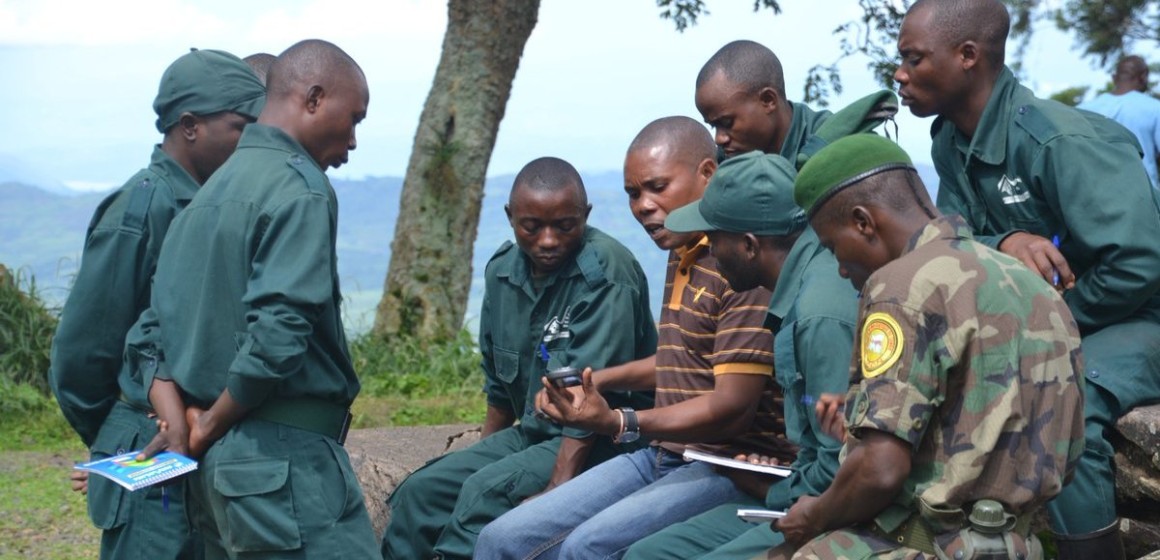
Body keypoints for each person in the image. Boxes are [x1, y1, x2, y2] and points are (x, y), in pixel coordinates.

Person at [894, 1, 1160, 556]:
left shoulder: (1057, 142)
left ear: (967, 56)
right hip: (1072, 317)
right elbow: (952, 243)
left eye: (913, 59)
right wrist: (1004, 241)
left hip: (1140, 313)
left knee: (1062, 402)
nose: (899, 74)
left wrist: (1052, 327)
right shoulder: (950, 140)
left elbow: (1139, 262)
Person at [475, 118, 793, 560]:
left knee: (585, 548)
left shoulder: (739, 263)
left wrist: (620, 422)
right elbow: (683, 356)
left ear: (707, 174)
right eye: (633, 194)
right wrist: (596, 381)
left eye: (657, 187)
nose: (644, 206)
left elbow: (730, 409)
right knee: (500, 540)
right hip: (663, 453)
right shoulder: (682, 250)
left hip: (726, 465)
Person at [767, 133, 1085, 559]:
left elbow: (880, 470)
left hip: (918, 546)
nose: (841, 269)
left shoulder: (900, 285)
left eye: (833, 247)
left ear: (864, 221)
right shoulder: (1028, 282)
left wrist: (813, 516)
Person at [132, 39, 377, 558]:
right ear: (313, 98)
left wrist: (185, 423)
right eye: (352, 117)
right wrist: (204, 429)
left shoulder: (202, 200)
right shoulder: (299, 187)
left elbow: (151, 335)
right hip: (284, 464)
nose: (354, 140)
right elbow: (279, 335)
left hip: (218, 477)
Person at [380, 156, 657, 560]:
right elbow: (498, 382)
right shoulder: (503, 272)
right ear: (511, 217)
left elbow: (584, 408)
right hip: (534, 433)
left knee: (481, 498)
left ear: (586, 216)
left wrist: (555, 492)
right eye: (532, 226)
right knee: (420, 494)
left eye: (565, 226)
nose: (548, 240)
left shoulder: (606, 273)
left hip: (603, 440)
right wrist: (483, 455)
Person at [47, 48, 264, 560]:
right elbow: (82, 350)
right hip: (149, 450)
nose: (252, 141)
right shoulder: (146, 205)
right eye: (239, 126)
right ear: (189, 126)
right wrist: (119, 430)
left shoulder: (212, 203)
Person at [621, 150, 859, 560]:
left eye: (714, 239)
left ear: (748, 245)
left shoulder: (817, 313)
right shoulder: (796, 290)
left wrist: (773, 487)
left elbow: (842, 464)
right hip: (793, 485)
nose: (709, 251)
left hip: (827, 510)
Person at [694, 40, 830, 161]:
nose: (718, 139)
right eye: (713, 126)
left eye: (727, 123)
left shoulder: (830, 142)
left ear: (768, 100)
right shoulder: (720, 164)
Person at [1079, 55, 1160, 189]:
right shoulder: (1155, 108)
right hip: (1143, 197)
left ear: (1114, 77)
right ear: (1144, 76)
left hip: (1095, 196)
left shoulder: (1082, 110)